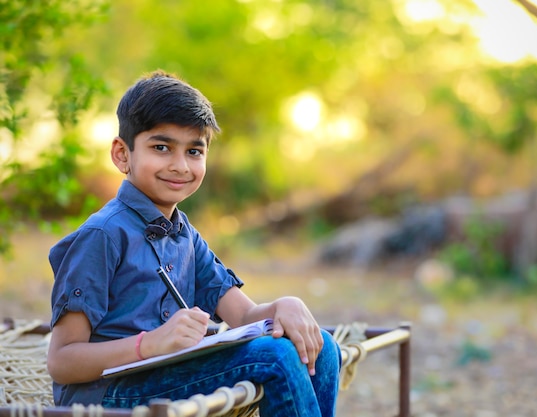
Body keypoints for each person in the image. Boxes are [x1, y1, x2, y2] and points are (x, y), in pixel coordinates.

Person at [46, 70, 341, 417]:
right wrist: (151, 344)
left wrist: (284, 306)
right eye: (161, 147)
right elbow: (62, 362)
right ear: (122, 154)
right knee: (275, 356)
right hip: (106, 396)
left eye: (194, 151)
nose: (180, 165)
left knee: (322, 346)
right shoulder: (104, 234)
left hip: (167, 377)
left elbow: (244, 315)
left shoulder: (184, 234)